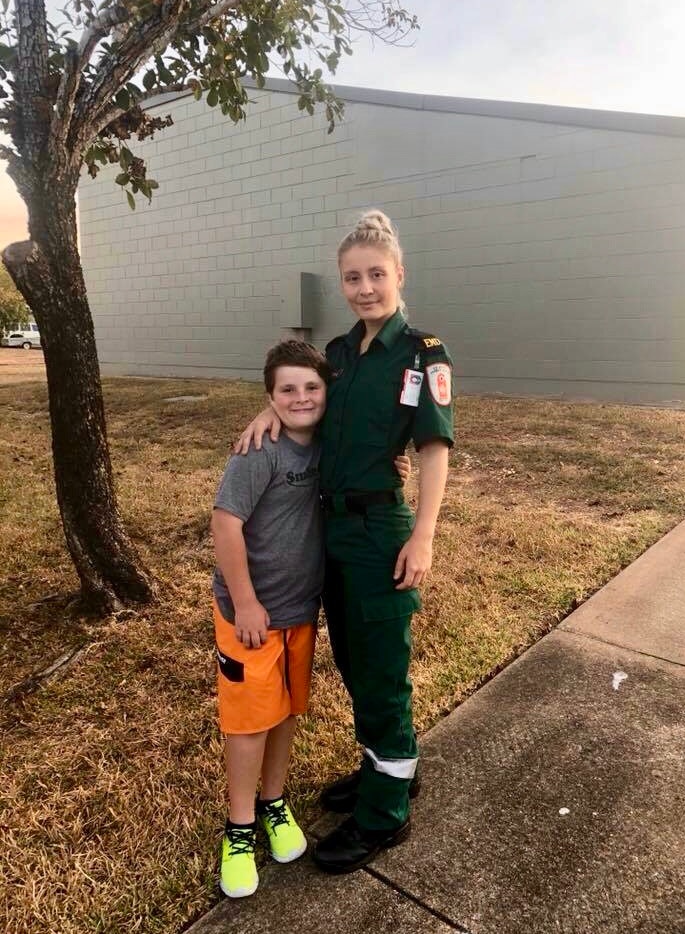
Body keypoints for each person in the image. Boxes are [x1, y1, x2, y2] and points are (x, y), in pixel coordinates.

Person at [235, 209, 455, 874]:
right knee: (357, 666)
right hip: (327, 533)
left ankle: (384, 814)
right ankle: (388, 767)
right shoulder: (334, 354)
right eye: (352, 277)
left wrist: (423, 534)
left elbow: (433, 446)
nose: (364, 288)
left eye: (376, 275)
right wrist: (266, 409)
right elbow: (301, 400)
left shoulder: (421, 354)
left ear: (399, 275)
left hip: (378, 531)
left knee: (381, 672)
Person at [212, 338, 412, 897]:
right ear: (270, 397)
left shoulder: (327, 445)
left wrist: (388, 461)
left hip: (301, 608)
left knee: (286, 710)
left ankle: (274, 803)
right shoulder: (259, 451)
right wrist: (247, 601)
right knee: (250, 722)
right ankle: (240, 827)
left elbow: (368, 457)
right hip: (249, 613)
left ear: (328, 391)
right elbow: (225, 524)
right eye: (286, 390)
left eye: (311, 388)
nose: (301, 398)